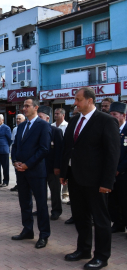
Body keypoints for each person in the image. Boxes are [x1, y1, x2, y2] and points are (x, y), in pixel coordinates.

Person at [60, 87, 119, 269]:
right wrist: (64, 173)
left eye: (78, 100)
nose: (75, 103)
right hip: (76, 178)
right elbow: (68, 148)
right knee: (80, 216)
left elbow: (112, 154)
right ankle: (83, 249)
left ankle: (101, 256)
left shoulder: (106, 121)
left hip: (96, 181)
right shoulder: (75, 120)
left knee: (100, 221)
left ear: (90, 101)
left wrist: (107, 182)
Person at [11, 98, 51, 249]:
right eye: (23, 106)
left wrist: (28, 164)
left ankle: (44, 234)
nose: (24, 108)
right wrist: (15, 161)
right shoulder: (21, 126)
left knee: (41, 204)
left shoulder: (43, 125)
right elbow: (15, 146)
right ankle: (27, 230)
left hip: (36, 171)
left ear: (36, 107)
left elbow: (44, 149)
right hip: (21, 171)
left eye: (27, 106)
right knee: (24, 202)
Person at [37, 106, 63, 221]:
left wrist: (57, 166)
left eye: (40, 117)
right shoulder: (36, 131)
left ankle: (56, 210)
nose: (38, 120)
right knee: (40, 191)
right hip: (40, 167)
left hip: (52, 167)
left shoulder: (56, 131)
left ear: (47, 118)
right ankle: (41, 209)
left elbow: (59, 151)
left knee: (55, 191)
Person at [108, 102, 127, 234]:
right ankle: (118, 223)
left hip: (124, 173)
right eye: (111, 114)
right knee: (113, 200)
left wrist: (119, 168)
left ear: (123, 115)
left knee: (124, 201)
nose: (112, 117)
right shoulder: (110, 130)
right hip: (111, 172)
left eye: (114, 115)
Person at [52, 108, 69, 204]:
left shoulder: (67, 126)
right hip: (55, 153)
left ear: (63, 115)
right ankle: (55, 194)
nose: (56, 115)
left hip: (64, 153)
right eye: (55, 113)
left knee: (64, 174)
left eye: (58, 113)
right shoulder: (52, 126)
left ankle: (65, 194)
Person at [10, 114, 25, 192]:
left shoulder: (26, 128)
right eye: (17, 119)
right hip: (17, 154)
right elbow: (13, 143)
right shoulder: (15, 129)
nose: (18, 120)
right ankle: (18, 185)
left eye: (19, 119)